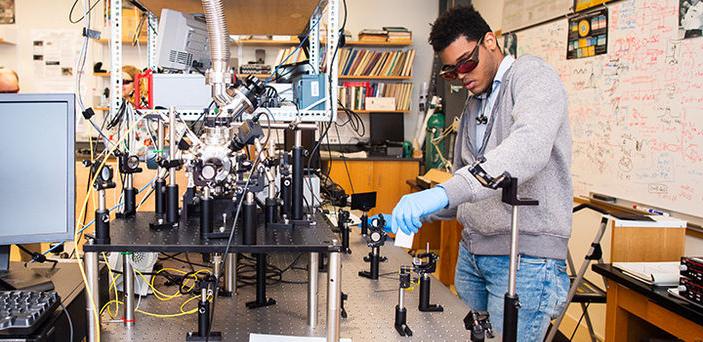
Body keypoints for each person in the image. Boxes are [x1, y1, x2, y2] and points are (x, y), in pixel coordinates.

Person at [375, 6, 572, 340]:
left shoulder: (532, 77)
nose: (463, 76)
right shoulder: (474, 104)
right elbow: (468, 190)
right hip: (473, 256)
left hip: (523, 263)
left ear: (490, 42)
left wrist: (442, 191)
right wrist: (417, 212)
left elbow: (528, 148)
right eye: (452, 72)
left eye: (467, 63)